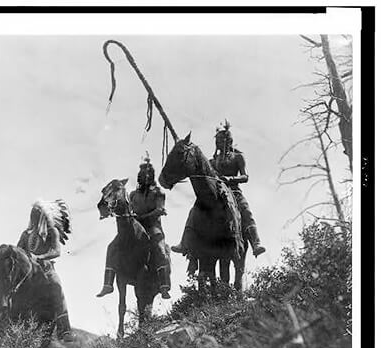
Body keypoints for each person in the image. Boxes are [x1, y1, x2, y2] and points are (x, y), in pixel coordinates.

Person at [172, 120, 266, 257]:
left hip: (233, 192)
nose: (222, 143)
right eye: (219, 141)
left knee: (245, 210)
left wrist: (230, 179)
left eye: (224, 140)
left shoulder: (238, 157)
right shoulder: (211, 162)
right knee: (195, 210)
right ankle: (185, 243)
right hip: (216, 193)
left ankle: (255, 242)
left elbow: (245, 176)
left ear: (230, 141)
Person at [96, 157, 172, 299]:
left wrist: (141, 217)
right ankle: (108, 284)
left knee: (160, 249)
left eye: (145, 175)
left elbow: (159, 210)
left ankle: (163, 285)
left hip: (152, 227)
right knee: (112, 246)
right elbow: (129, 209)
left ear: (151, 176)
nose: (142, 177)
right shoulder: (133, 194)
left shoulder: (158, 193)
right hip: (135, 226)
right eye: (140, 175)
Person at [17, 200, 75, 342]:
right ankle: (2, 326)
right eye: (33, 213)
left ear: (44, 215)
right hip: (28, 272)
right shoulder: (25, 234)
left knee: (57, 287)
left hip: (46, 270)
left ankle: (64, 330)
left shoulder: (52, 232)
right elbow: (18, 251)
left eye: (37, 213)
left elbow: (56, 251)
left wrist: (39, 257)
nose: (34, 216)